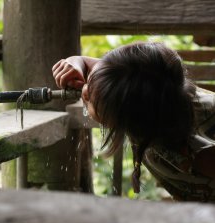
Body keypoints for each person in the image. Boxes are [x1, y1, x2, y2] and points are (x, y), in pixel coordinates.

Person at [52, 42, 215, 202]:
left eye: (90, 100)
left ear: (127, 115)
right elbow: (111, 73)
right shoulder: (157, 92)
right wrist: (77, 62)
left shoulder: (199, 152)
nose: (84, 91)